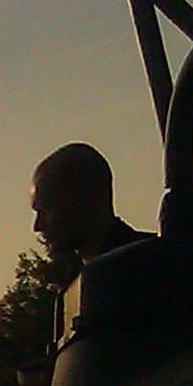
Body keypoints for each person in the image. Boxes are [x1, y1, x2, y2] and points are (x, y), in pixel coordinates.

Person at [31, 144, 148, 345]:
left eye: (47, 208)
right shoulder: (69, 294)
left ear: (86, 198)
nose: (37, 226)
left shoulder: (152, 266)